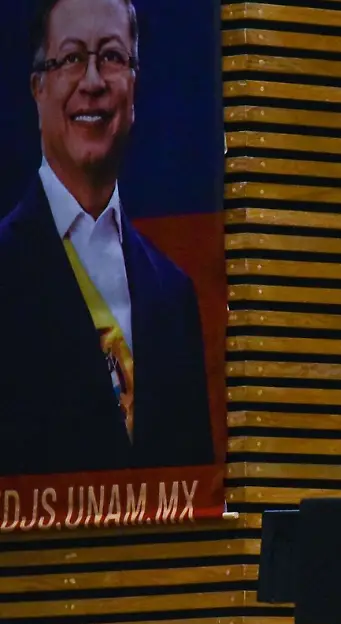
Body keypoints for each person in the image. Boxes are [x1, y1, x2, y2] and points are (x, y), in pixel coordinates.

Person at [0, 0, 213, 475]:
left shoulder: (174, 295)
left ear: (134, 84)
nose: (93, 82)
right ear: (38, 88)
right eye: (72, 58)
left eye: (112, 57)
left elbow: (194, 487)